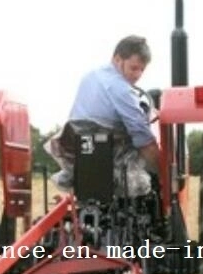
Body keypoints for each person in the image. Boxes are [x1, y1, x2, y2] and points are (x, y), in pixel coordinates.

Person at [48, 35, 160, 193]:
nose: (137, 75)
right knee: (147, 171)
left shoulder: (91, 76)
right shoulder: (122, 89)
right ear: (117, 59)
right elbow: (142, 138)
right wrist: (163, 172)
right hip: (111, 156)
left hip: (79, 152)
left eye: (142, 70)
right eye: (133, 68)